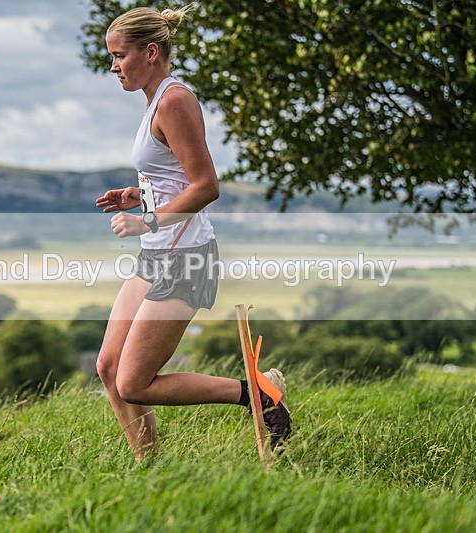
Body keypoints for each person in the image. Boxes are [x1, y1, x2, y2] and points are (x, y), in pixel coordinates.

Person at [94, 5, 291, 460]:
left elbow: (206, 186)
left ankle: (259, 394)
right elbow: (175, 178)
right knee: (108, 366)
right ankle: (149, 467)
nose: (113, 66)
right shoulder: (154, 101)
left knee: (133, 382)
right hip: (157, 254)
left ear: (150, 52)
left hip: (186, 258)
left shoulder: (174, 101)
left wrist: (147, 220)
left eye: (119, 56)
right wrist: (140, 196)